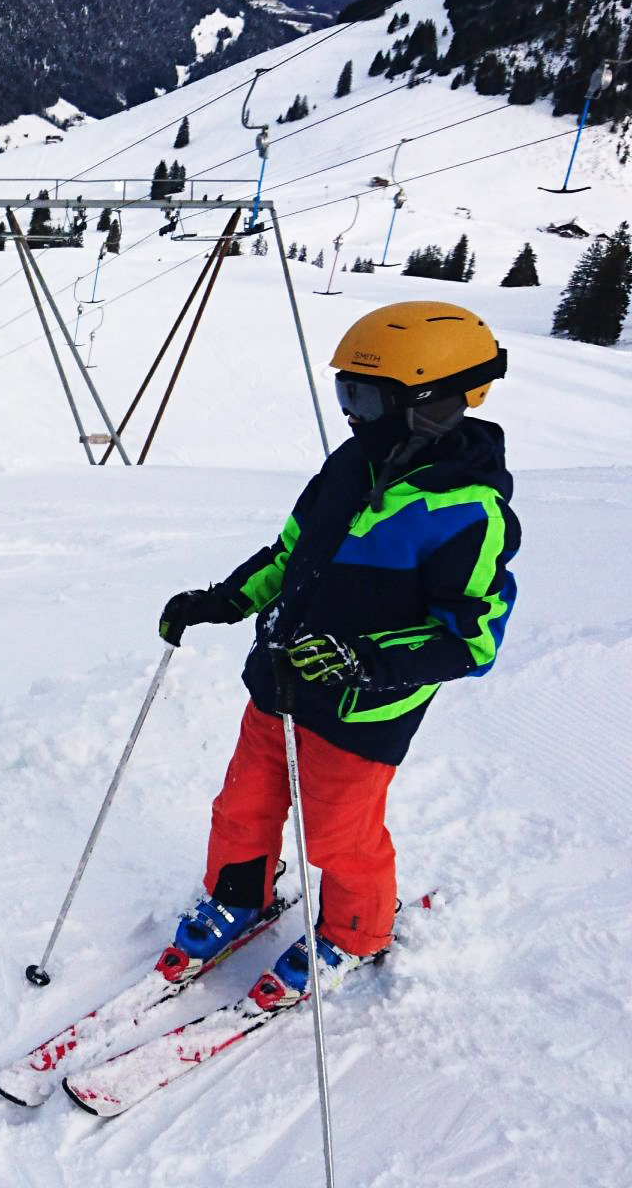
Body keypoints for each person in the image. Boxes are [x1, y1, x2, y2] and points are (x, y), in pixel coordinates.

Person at [154, 301, 519, 1009]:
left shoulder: (469, 512)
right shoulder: (349, 466)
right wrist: (225, 600)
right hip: (279, 684)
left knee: (339, 838)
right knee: (242, 806)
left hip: (362, 714)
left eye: (367, 397)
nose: (351, 413)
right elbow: (292, 554)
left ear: (432, 403)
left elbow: (471, 639)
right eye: (345, 392)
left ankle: (356, 931)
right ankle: (240, 896)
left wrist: (362, 660)